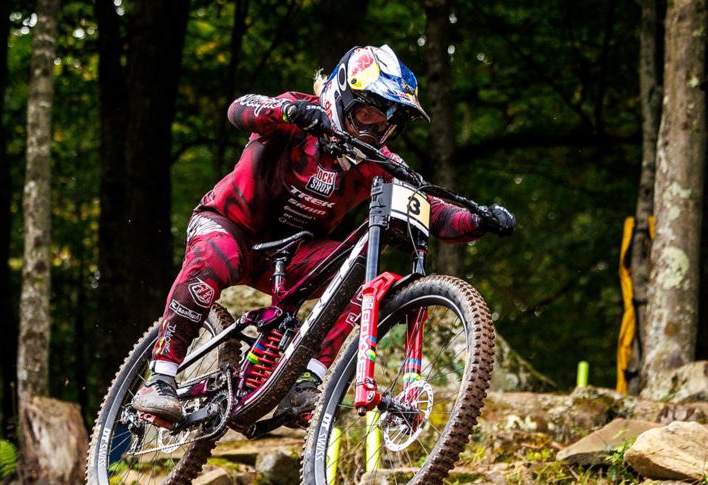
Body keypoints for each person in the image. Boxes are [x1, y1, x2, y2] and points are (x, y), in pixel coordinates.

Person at [132, 44, 515, 428]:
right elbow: (239, 110)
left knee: (358, 275)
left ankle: (307, 382)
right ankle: (161, 378)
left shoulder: (377, 161)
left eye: (384, 124)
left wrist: (479, 220)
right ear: (343, 95)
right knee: (215, 257)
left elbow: (434, 211)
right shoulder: (298, 113)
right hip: (231, 225)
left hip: (292, 256)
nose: (373, 129)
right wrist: (288, 111)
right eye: (366, 113)